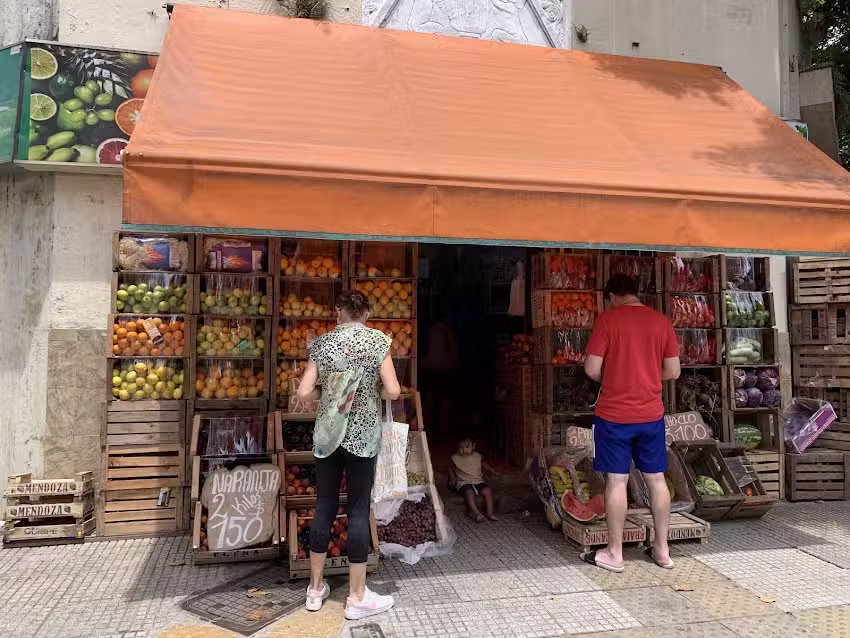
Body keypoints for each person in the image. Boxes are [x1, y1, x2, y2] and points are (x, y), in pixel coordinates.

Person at [296, 290, 401, 619]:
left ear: (339, 311)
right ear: (366, 312)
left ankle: (315, 590)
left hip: (328, 435)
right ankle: (356, 597)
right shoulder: (377, 342)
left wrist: (327, 394)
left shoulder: (323, 344)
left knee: (324, 506)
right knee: (357, 510)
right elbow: (394, 390)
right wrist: (374, 391)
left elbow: (303, 392)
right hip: (362, 436)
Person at [580, 274, 680, 573]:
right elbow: (673, 371)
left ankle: (614, 553)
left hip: (614, 416)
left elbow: (591, 368)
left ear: (611, 295)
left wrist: (615, 378)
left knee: (617, 480)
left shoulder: (608, 321)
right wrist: (647, 376)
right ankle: (662, 551)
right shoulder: (661, 321)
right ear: (635, 293)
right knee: (656, 479)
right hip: (651, 415)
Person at [449, 436, 498, 522]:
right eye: (461, 448)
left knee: (488, 491)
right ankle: (477, 513)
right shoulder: (455, 458)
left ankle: (490, 513)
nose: (464, 450)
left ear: (473, 446)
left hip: (478, 481)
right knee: (469, 493)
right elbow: (450, 468)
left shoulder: (477, 456)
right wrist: (453, 478)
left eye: (467, 447)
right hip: (464, 482)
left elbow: (483, 464)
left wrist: (492, 471)